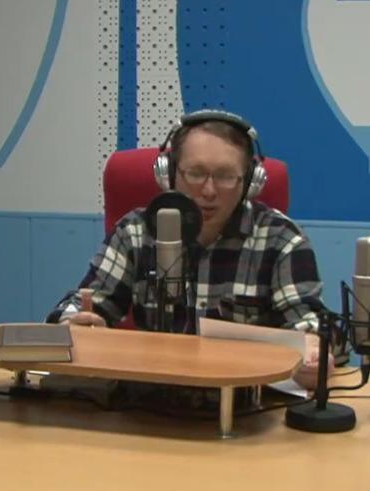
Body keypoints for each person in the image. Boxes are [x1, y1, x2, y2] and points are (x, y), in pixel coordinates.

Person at [54, 110, 330, 390]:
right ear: (168, 174)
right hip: (149, 402)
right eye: (195, 174)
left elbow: (307, 322)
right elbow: (85, 305)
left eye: (225, 176)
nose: (208, 191)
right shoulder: (136, 231)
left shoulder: (281, 239)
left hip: (244, 404)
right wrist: (73, 323)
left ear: (250, 182)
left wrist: (312, 348)